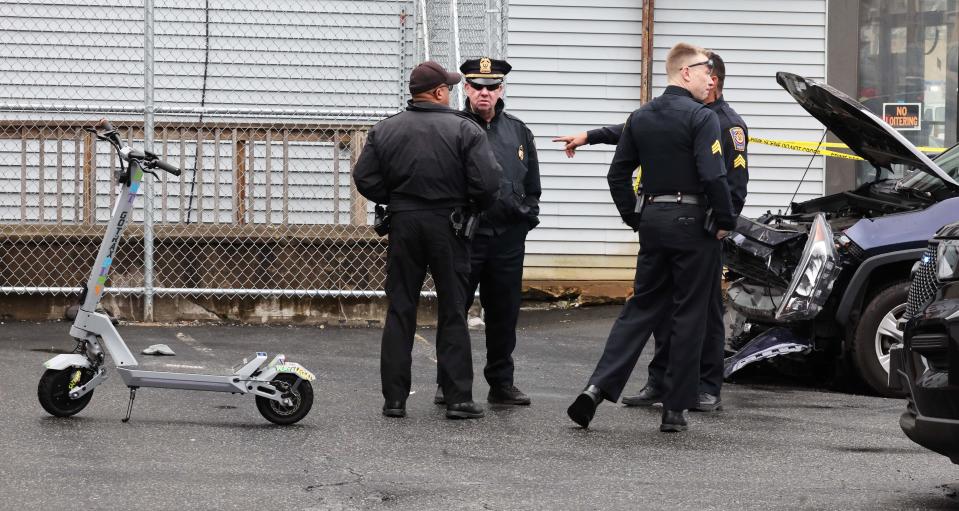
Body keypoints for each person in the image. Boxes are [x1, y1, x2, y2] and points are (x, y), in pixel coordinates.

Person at [553, 51, 748, 413]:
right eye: (704, 73)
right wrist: (591, 135)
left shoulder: (726, 123)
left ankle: (703, 386)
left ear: (714, 80)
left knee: (687, 310)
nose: (708, 80)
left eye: (711, 75)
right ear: (689, 74)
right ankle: (671, 397)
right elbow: (709, 172)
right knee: (682, 313)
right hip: (692, 225)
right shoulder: (697, 115)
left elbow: (735, 181)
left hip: (685, 225)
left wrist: (723, 221)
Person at [353, 60, 501, 420]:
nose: (450, 92)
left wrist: (398, 199)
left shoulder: (385, 130)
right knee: (452, 308)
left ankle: (394, 400)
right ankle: (457, 399)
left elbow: (365, 179)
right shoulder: (464, 130)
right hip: (449, 224)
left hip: (403, 222)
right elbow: (488, 183)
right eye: (448, 87)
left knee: (401, 308)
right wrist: (470, 204)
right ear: (437, 92)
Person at [432, 56, 541, 408]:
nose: (484, 93)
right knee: (455, 309)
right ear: (465, 88)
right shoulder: (452, 127)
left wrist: (528, 215)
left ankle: (501, 383)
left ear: (501, 89)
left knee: (504, 313)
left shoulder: (518, 131)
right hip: (466, 235)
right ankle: (448, 382)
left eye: (491, 87)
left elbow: (532, 183)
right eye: (477, 86)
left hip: (507, 238)